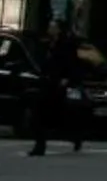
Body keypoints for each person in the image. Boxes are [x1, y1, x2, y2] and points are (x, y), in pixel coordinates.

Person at [26, 24, 85, 156]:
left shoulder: (66, 45)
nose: (49, 29)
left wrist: (66, 78)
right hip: (47, 82)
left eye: (53, 27)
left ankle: (74, 136)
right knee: (39, 114)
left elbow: (72, 63)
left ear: (59, 29)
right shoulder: (47, 43)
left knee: (58, 115)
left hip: (59, 84)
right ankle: (40, 146)